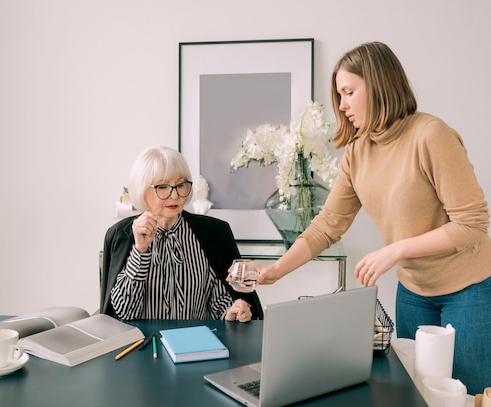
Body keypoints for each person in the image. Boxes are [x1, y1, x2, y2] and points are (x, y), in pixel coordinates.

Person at [253, 42, 490, 394]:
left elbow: (473, 224)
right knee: (418, 394)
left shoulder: (431, 135)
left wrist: (395, 250)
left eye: (349, 92)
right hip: (414, 291)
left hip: (467, 289)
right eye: (340, 95)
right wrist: (276, 270)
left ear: (378, 85)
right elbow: (328, 224)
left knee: (468, 394)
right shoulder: (358, 152)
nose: (342, 104)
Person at [101, 145, 263, 322]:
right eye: (163, 187)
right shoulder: (120, 235)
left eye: (181, 185)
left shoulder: (214, 232)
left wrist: (231, 311)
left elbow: (218, 298)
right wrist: (140, 251)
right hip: (144, 345)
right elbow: (124, 313)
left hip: (197, 344)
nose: (175, 195)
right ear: (142, 190)